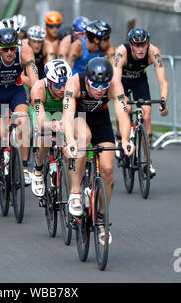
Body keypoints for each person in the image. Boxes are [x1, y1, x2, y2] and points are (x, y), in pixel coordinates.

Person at [62, 57, 134, 245]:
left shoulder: (114, 85)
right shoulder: (74, 82)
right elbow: (67, 116)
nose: (100, 90)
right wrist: (70, 141)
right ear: (87, 80)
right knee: (84, 137)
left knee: (108, 171)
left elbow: (122, 114)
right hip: (79, 117)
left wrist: (125, 139)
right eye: (95, 85)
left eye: (104, 86)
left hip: (101, 119)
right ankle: (76, 192)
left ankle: (101, 218)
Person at [0, 27, 39, 196]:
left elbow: (34, 79)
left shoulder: (26, 51)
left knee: (23, 122)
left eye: (12, 48)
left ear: (17, 46)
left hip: (16, 91)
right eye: (5, 49)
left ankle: (24, 166)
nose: (8, 52)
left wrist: (36, 103)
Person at [113, 28, 169, 177]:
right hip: (122, 83)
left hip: (140, 82)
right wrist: (121, 103)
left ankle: (147, 161)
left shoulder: (154, 52)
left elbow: (163, 82)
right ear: (131, 45)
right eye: (137, 45)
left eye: (143, 44)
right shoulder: (122, 52)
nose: (140, 48)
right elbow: (115, 81)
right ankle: (120, 139)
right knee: (124, 110)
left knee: (146, 117)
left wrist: (163, 102)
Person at [29, 59, 72, 201]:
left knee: (69, 149)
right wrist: (52, 124)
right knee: (45, 138)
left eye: (65, 84)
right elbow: (41, 122)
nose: (63, 89)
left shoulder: (72, 88)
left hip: (62, 114)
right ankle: (38, 168)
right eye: (58, 85)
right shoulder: (38, 89)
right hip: (43, 113)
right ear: (48, 82)